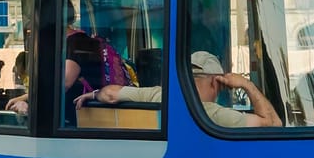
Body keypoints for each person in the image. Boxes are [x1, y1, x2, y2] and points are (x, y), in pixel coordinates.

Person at [83, 51, 281, 129]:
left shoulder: (159, 95)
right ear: (216, 83)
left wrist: (92, 94)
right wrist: (248, 85)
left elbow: (110, 93)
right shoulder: (215, 115)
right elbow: (274, 125)